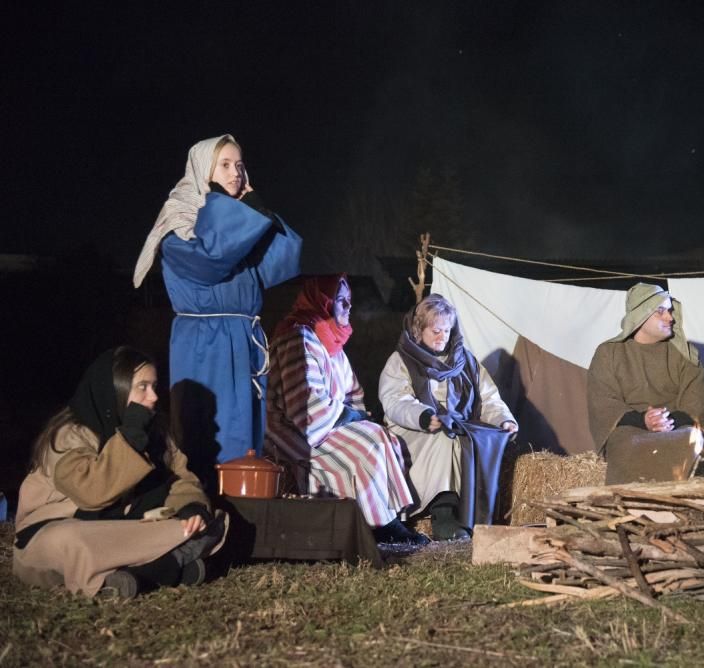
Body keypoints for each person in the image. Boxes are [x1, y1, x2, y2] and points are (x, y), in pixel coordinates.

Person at [132, 134, 301, 473]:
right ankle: (207, 504)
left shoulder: (235, 231)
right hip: (206, 343)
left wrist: (257, 215)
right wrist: (241, 217)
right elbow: (210, 261)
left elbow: (278, 264)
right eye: (224, 165)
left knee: (247, 432)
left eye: (240, 165)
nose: (236, 172)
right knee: (215, 433)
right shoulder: (180, 226)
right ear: (201, 168)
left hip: (242, 337)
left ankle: (244, 508)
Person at [12, 347, 227, 599]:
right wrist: (131, 436)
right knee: (71, 541)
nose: (154, 396)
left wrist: (191, 509)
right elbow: (93, 493)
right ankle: (164, 566)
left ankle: (133, 575)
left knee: (210, 523)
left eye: (155, 386)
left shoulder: (155, 431)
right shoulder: (71, 434)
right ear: (116, 389)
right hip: (63, 533)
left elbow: (182, 478)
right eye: (143, 387)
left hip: (123, 530)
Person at [265, 275, 427, 544]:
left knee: (383, 436)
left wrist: (358, 416)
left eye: (350, 302)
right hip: (293, 429)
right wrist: (352, 417)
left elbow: (353, 395)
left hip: (326, 424)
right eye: (341, 301)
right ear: (323, 303)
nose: (349, 308)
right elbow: (304, 405)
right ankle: (379, 526)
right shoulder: (297, 337)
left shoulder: (333, 346)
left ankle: (391, 518)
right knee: (368, 443)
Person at [379, 294, 517, 540]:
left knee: (480, 441)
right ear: (419, 330)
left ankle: (471, 517)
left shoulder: (465, 361)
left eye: (446, 330)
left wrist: (503, 420)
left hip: (457, 426)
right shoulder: (401, 361)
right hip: (415, 430)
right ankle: (444, 514)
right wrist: (424, 416)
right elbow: (395, 400)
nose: (442, 337)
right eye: (435, 331)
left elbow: (488, 398)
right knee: (445, 439)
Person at [588, 283, 704, 483]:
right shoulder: (608, 354)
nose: (670, 317)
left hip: (677, 427)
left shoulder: (685, 355)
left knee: (690, 441)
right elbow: (603, 402)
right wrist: (643, 420)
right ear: (640, 316)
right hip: (630, 428)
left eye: (670, 310)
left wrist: (665, 420)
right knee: (625, 445)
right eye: (660, 311)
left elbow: (694, 404)